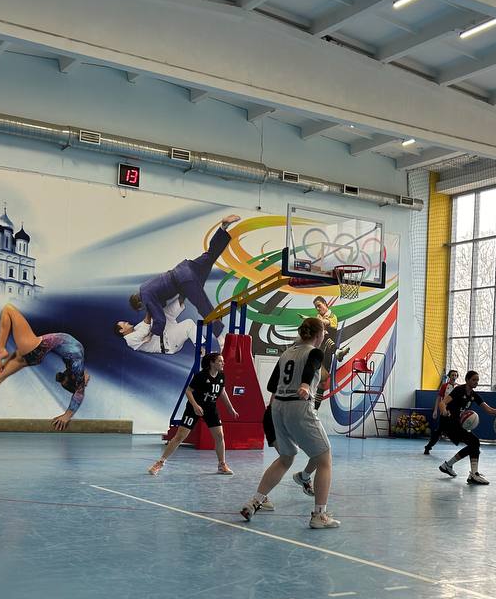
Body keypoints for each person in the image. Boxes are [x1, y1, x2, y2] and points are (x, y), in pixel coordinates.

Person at [240, 317, 339, 528]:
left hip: (278, 408)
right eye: (323, 333)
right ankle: (319, 515)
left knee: (286, 458)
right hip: (298, 406)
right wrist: (304, 384)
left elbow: (271, 385)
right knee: (324, 460)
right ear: (318, 334)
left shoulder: (286, 353)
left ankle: (255, 501)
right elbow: (311, 366)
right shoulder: (315, 352)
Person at [129, 214, 240, 350]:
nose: (146, 309)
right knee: (210, 255)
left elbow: (160, 319)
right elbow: (162, 302)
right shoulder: (145, 287)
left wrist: (151, 335)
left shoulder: (146, 297)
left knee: (204, 307)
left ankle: (221, 341)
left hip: (184, 281)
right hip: (185, 268)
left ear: (139, 304)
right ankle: (222, 228)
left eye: (143, 308)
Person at [148, 351, 238, 475]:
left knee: (219, 436)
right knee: (180, 436)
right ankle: (160, 462)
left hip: (211, 408)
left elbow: (222, 392)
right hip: (194, 408)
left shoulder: (221, 375)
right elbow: (188, 391)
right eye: (220, 361)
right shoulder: (201, 376)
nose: (223, 363)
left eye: (223, 361)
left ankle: (222, 465)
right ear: (212, 363)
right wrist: (195, 406)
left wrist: (230, 408)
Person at [436, 370, 496, 485]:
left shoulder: (474, 395)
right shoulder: (459, 390)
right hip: (449, 423)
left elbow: (488, 409)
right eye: (474, 380)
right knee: (474, 443)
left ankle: (449, 466)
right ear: (467, 380)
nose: (476, 382)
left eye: (477, 380)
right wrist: (443, 411)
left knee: (474, 444)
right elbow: (442, 403)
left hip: (458, 424)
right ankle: (472, 474)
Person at [116, 296, 198, 354]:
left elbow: (151, 320)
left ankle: (184, 293)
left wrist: (153, 302)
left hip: (166, 331)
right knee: (189, 324)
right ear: (121, 330)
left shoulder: (136, 328)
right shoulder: (130, 340)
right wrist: (148, 305)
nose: (127, 322)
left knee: (165, 312)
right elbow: (145, 329)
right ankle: (201, 348)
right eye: (124, 324)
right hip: (168, 342)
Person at [423, 369, 458, 455]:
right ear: (449, 376)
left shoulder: (459, 387)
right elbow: (438, 398)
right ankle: (428, 447)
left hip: (455, 412)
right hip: (445, 410)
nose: (454, 377)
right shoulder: (444, 386)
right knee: (439, 431)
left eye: (455, 375)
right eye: (452, 375)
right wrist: (435, 410)